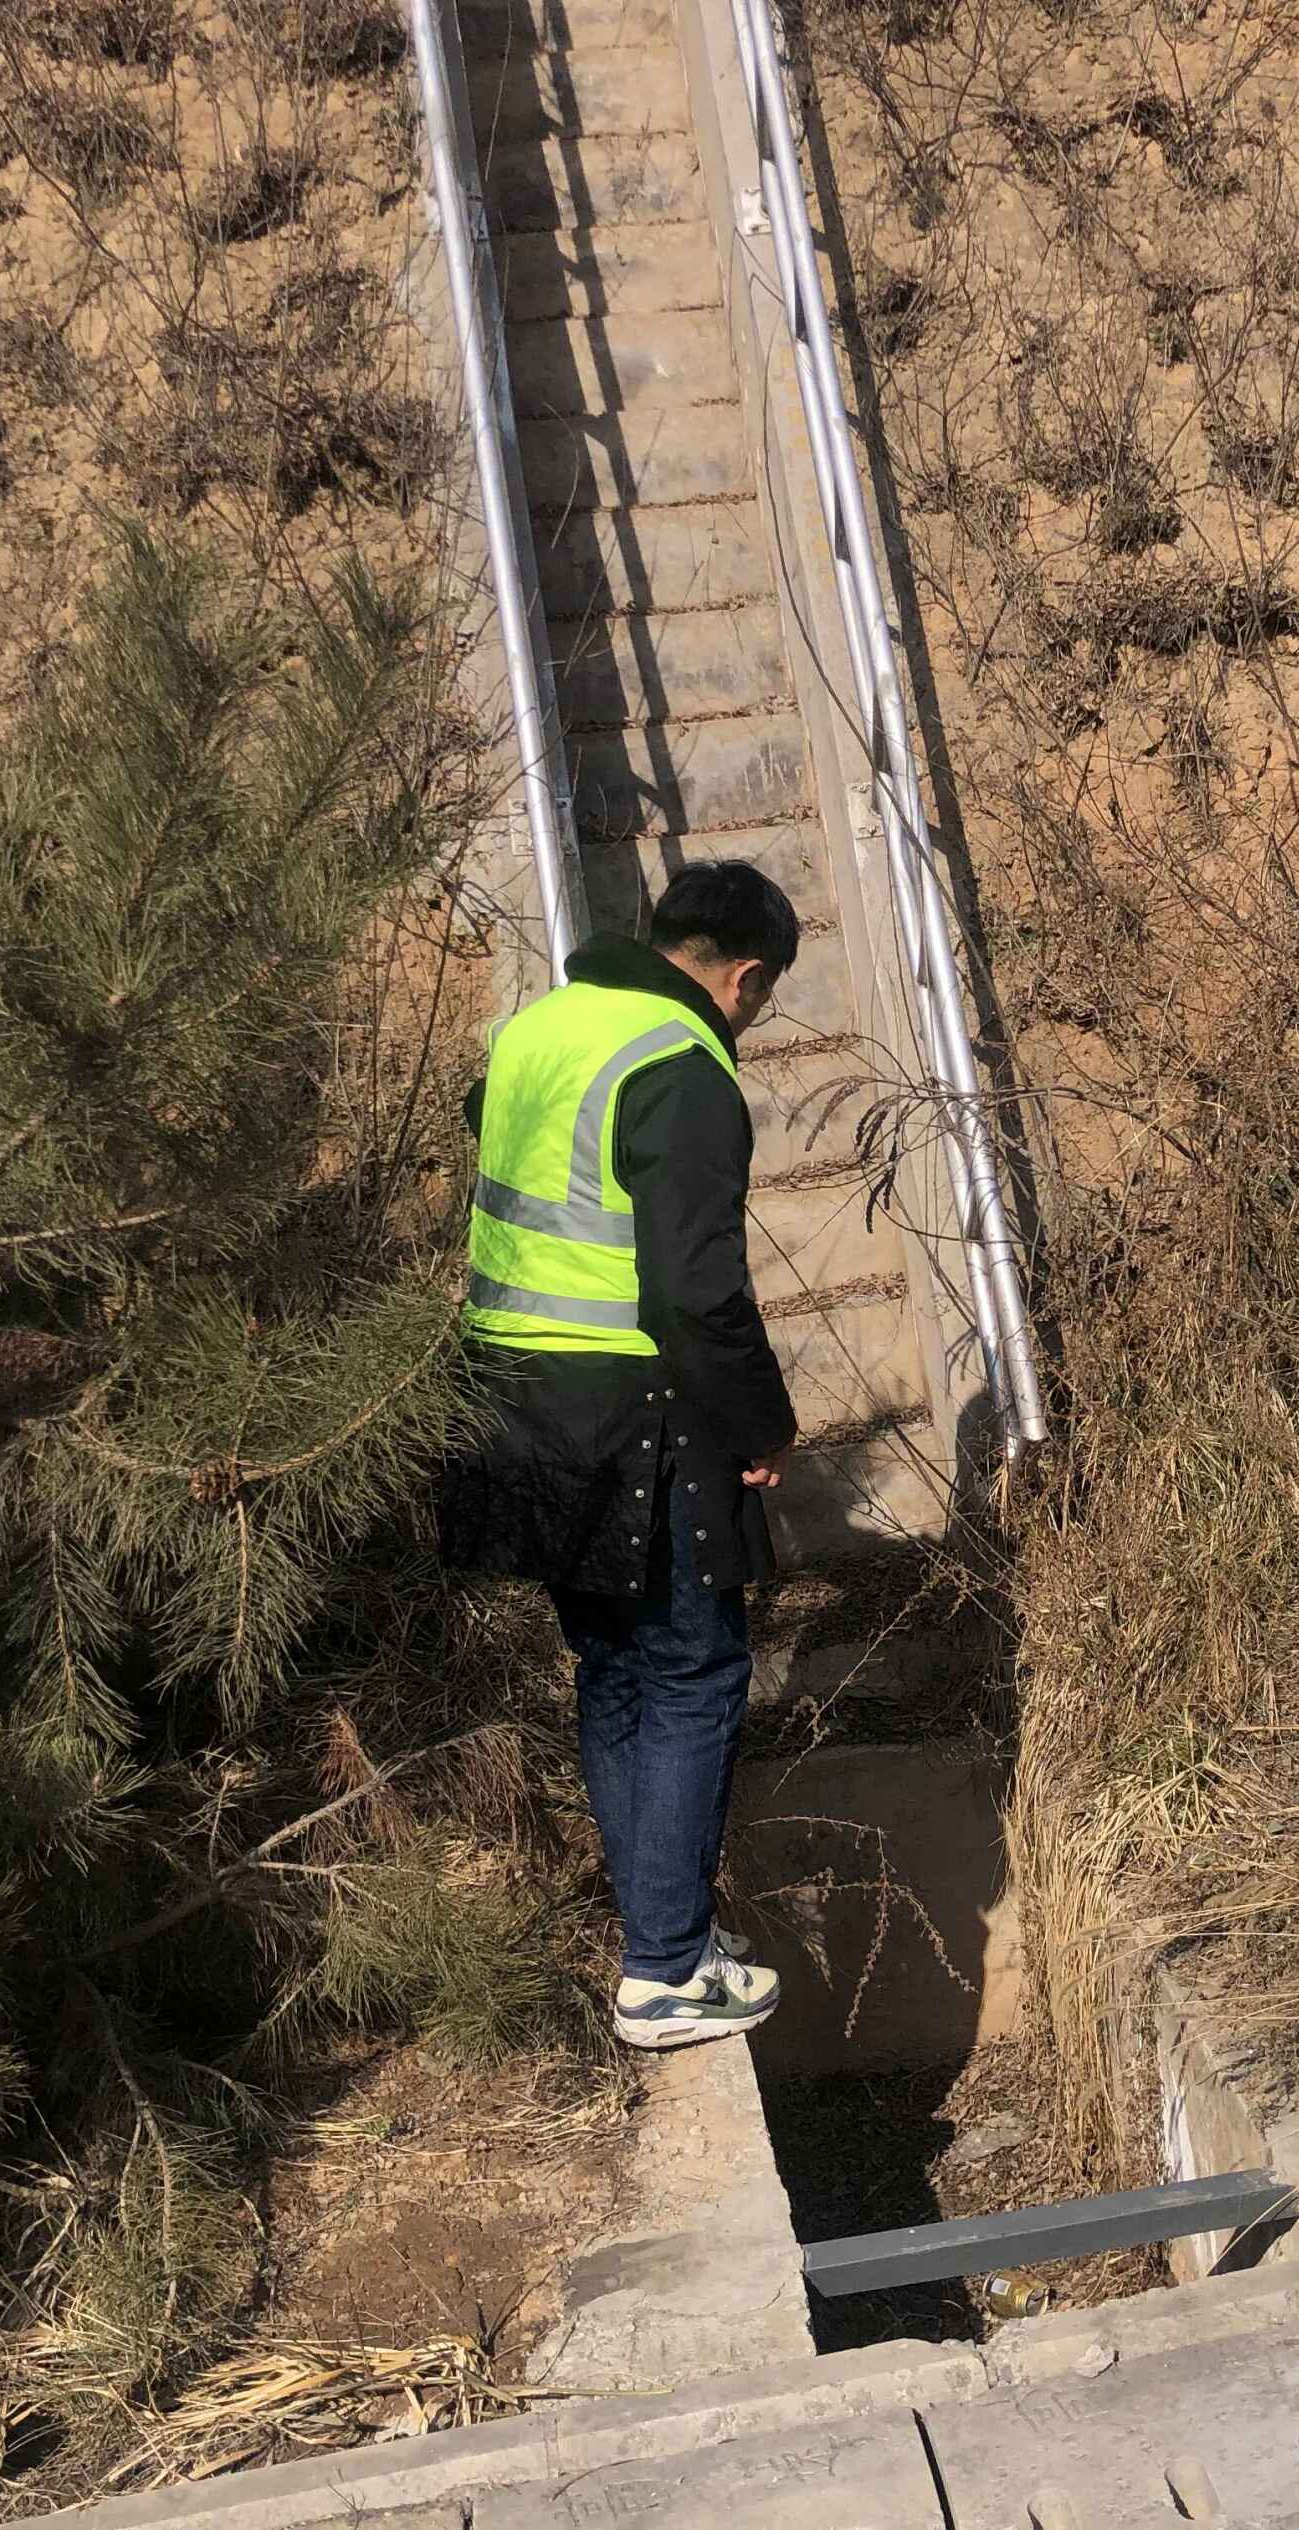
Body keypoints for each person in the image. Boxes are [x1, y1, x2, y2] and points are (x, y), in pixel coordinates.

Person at [441, 863, 803, 2051]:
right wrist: (758, 1425)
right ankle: (663, 1970)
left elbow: (515, 1158)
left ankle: (662, 1935)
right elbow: (696, 1290)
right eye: (760, 998)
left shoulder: (536, 1029)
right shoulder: (681, 1066)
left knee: (611, 1665)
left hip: (510, 1394)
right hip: (628, 1400)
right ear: (743, 976)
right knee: (694, 1669)